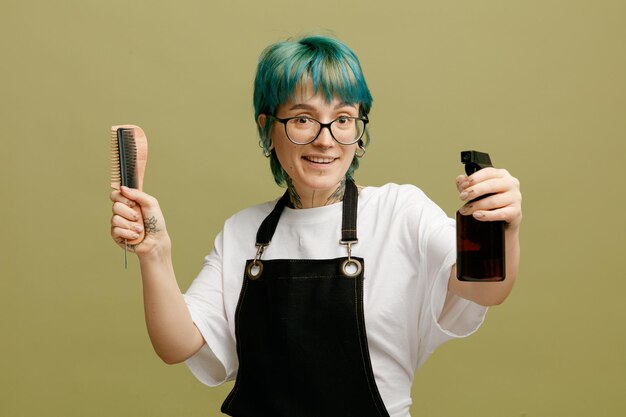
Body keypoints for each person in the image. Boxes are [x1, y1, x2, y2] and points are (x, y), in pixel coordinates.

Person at [110, 35, 522, 417]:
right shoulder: (244, 233)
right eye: (303, 119)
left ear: (359, 134)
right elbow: (177, 343)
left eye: (343, 119)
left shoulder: (400, 211)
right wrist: (155, 252)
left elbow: (485, 287)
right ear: (267, 129)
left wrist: (505, 226)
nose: (326, 140)